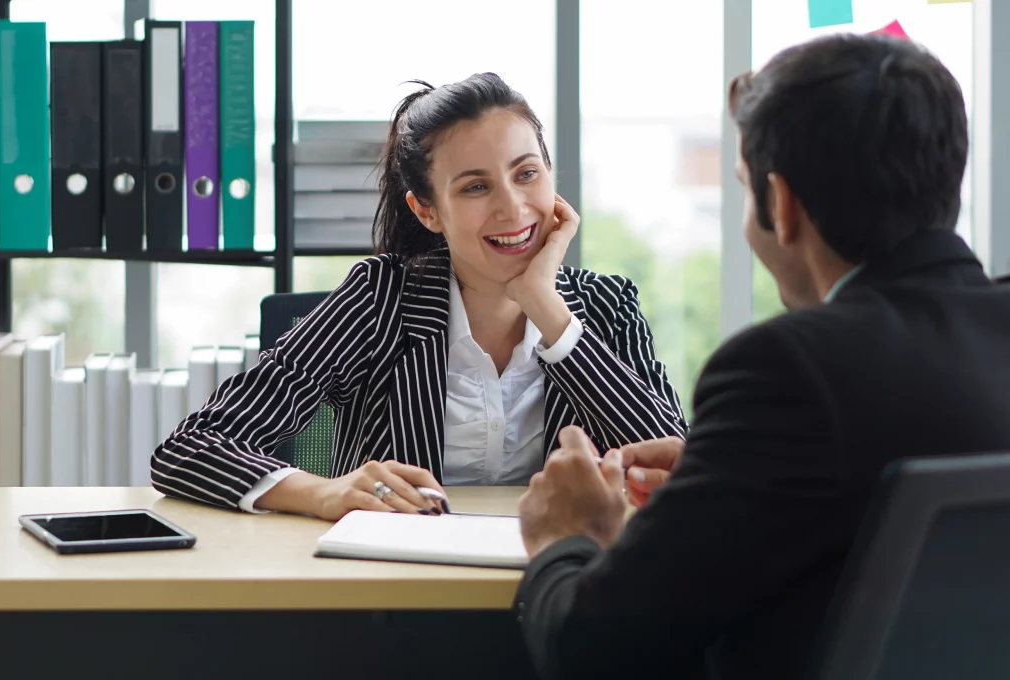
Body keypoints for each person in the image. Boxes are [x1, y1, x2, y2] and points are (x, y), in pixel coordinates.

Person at [514, 33, 1010, 680]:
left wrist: (565, 535)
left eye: (746, 189)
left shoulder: (789, 372)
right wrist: (731, 469)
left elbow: (593, 650)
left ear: (782, 204)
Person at [151, 72, 687, 521]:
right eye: (475, 187)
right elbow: (191, 447)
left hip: (565, 583)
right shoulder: (379, 297)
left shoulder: (607, 307)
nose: (512, 208)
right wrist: (323, 492)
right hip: (400, 590)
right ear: (428, 210)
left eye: (527, 174)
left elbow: (685, 473)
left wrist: (547, 310)